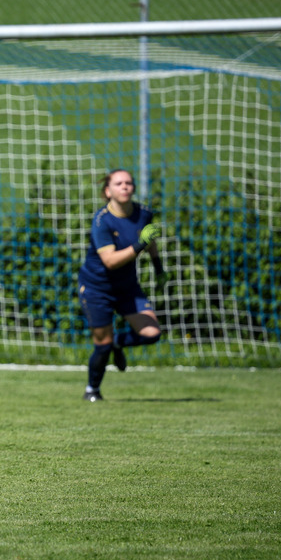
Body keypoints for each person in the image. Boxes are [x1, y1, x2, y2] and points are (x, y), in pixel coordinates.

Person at [77, 168, 169, 402]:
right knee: (102, 344)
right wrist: (139, 245)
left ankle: (117, 343)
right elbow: (110, 261)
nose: (125, 187)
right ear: (108, 191)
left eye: (128, 182)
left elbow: (150, 241)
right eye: (118, 184)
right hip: (97, 288)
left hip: (127, 287)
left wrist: (158, 267)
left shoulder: (144, 214)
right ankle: (92, 390)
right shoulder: (102, 221)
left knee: (152, 333)